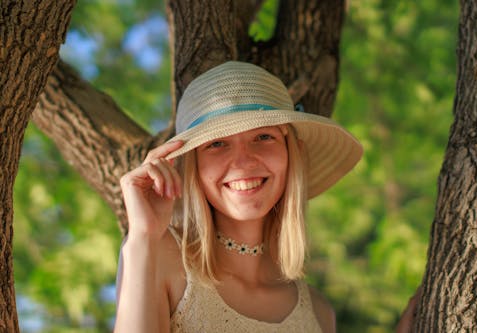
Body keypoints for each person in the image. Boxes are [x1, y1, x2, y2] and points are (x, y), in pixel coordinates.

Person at [114, 61, 415, 332]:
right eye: (217, 143)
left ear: (290, 154)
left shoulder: (319, 314)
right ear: (192, 166)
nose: (244, 162)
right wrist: (142, 237)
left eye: (263, 137)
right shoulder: (156, 255)